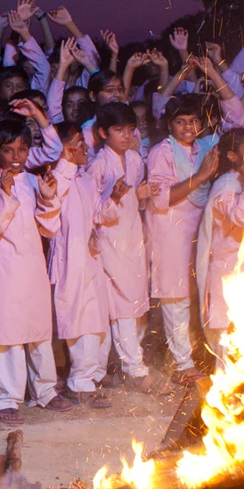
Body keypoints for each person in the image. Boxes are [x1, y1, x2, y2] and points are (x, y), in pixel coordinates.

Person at [0, 114, 66, 422]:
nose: (16, 158)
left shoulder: (33, 182)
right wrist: (5, 193)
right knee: (7, 334)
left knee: (38, 331)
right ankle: (5, 397)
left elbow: (49, 229)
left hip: (32, 267)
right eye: (9, 151)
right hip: (4, 269)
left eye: (22, 150)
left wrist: (50, 200)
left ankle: (45, 390)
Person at [147, 96, 219, 383]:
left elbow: (237, 117)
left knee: (197, 292)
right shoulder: (160, 152)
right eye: (181, 122)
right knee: (174, 296)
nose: (188, 127)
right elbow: (162, 198)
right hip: (169, 230)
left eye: (193, 121)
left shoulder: (204, 147)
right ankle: (182, 363)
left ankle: (201, 355)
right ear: (170, 124)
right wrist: (201, 176)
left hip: (198, 227)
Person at [87, 102, 157, 389]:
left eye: (130, 130)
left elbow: (134, 201)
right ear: (103, 132)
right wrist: (116, 199)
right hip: (110, 241)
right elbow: (94, 212)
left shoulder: (135, 160)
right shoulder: (98, 165)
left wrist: (139, 196)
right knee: (122, 304)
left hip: (132, 237)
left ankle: (106, 368)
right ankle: (133, 366)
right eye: (118, 130)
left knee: (135, 304)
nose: (126, 136)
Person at [45, 122, 113, 406]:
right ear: (64, 148)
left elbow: (97, 214)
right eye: (77, 142)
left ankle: (90, 376)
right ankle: (78, 381)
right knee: (76, 319)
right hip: (68, 259)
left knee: (95, 318)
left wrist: (115, 198)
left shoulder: (86, 179)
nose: (85, 146)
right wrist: (65, 160)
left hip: (89, 258)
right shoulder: (56, 178)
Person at [194, 128, 244, 368]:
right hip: (228, 274)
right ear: (232, 156)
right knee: (229, 344)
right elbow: (242, 218)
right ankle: (226, 399)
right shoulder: (225, 185)